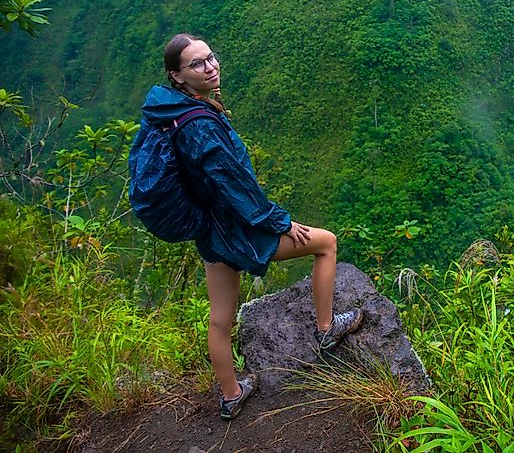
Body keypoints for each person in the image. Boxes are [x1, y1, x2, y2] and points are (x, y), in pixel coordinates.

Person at [141, 33, 364, 420]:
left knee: (220, 319)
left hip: (210, 230)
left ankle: (231, 396)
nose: (210, 67)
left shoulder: (173, 112)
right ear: (177, 75)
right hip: (238, 228)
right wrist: (279, 221)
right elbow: (233, 185)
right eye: (197, 64)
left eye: (211, 58)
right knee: (326, 244)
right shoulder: (200, 126)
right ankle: (326, 329)